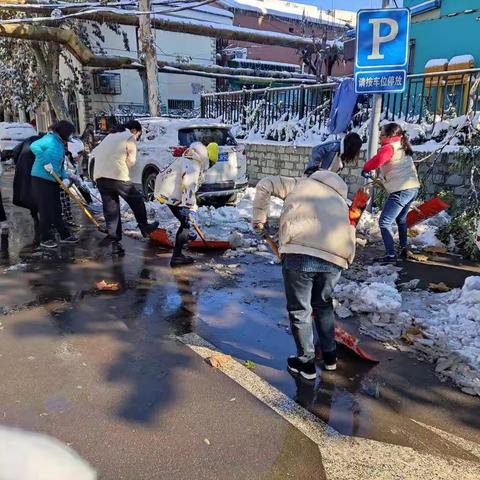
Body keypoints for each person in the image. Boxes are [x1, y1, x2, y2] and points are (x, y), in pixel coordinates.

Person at [252, 170, 356, 379]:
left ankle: (306, 362)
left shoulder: (300, 184)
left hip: (300, 252)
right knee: (323, 304)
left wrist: (259, 221)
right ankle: (329, 358)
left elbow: (265, 184)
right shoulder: (341, 200)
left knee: (300, 309)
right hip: (336, 257)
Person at [92, 120, 158, 256]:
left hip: (100, 176)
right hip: (117, 175)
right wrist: (125, 165)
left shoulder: (110, 136)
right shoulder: (129, 137)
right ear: (135, 130)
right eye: (139, 135)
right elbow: (131, 161)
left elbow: (97, 153)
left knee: (111, 210)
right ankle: (144, 226)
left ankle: (115, 243)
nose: (138, 138)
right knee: (137, 200)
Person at [362, 122, 420, 263]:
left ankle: (390, 255)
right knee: (401, 219)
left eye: (381, 135)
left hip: (401, 190)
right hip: (412, 188)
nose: (379, 138)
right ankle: (403, 248)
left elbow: (378, 160)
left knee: (384, 222)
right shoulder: (401, 145)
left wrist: (366, 167)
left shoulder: (389, 147)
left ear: (389, 136)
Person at [154, 141, 219, 267]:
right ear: (208, 159)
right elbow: (188, 187)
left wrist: (190, 209)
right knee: (185, 223)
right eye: (211, 163)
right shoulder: (193, 164)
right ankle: (177, 256)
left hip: (166, 191)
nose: (210, 166)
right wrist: (189, 209)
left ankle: (187, 237)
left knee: (186, 222)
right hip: (170, 194)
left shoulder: (191, 157)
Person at [30, 121, 78, 249]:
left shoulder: (61, 144)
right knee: (45, 209)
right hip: (40, 178)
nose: (70, 137)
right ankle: (45, 238)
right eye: (70, 134)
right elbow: (34, 146)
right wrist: (45, 162)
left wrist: (65, 178)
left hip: (53, 180)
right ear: (64, 132)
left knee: (57, 209)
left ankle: (64, 235)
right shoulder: (50, 139)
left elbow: (60, 165)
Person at [12, 133, 44, 244]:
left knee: (28, 196)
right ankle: (44, 223)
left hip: (22, 172)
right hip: (33, 173)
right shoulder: (41, 144)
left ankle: (35, 218)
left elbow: (15, 151)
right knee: (38, 197)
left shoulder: (27, 141)